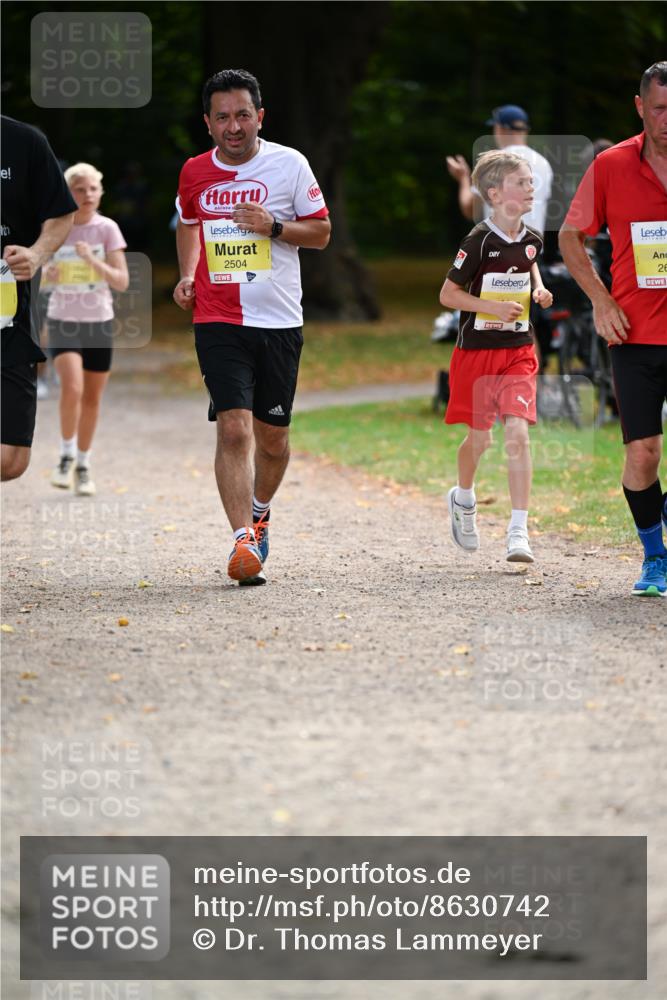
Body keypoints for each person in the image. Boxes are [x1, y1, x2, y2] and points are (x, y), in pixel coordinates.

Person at [173, 68, 330, 585]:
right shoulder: (194, 172)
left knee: (273, 439)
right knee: (234, 427)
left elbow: (322, 233)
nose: (233, 126)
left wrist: (274, 226)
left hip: (279, 321)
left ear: (260, 116)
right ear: (208, 123)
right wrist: (187, 274)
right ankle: (243, 540)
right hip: (217, 317)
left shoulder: (290, 164)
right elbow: (189, 224)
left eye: (243, 115)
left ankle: (260, 511)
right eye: (222, 117)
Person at [559, 61, 667, 597]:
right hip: (634, 335)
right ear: (640, 107)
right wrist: (600, 300)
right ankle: (655, 557)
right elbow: (570, 237)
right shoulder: (612, 165)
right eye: (660, 109)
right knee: (643, 453)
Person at [439, 150, 553, 563]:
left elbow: (528, 262)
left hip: (518, 351)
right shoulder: (478, 241)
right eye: (521, 182)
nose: (530, 188)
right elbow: (447, 295)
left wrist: (538, 289)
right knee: (480, 439)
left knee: (518, 436)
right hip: (476, 354)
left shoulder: (533, 239)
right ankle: (463, 497)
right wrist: (491, 308)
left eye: (530, 181)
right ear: (495, 193)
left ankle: (518, 531)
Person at [1, 116, 76, 482]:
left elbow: (61, 214)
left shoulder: (24, 142)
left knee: (11, 458)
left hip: (8, 313)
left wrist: (36, 253)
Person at [46, 162, 129, 496]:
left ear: (101, 192)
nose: (87, 194)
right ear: (68, 193)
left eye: (93, 188)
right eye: (80, 189)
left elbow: (121, 281)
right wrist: (46, 276)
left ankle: (83, 464)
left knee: (92, 398)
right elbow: (34, 275)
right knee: (73, 388)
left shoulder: (107, 228)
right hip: (63, 319)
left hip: (99, 322)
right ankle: (65, 456)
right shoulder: (55, 227)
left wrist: (93, 261)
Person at [446, 104, 554, 235]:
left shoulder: (493, 162)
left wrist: (463, 177)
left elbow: (470, 210)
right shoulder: (544, 164)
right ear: (525, 130)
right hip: (533, 245)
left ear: (499, 128)